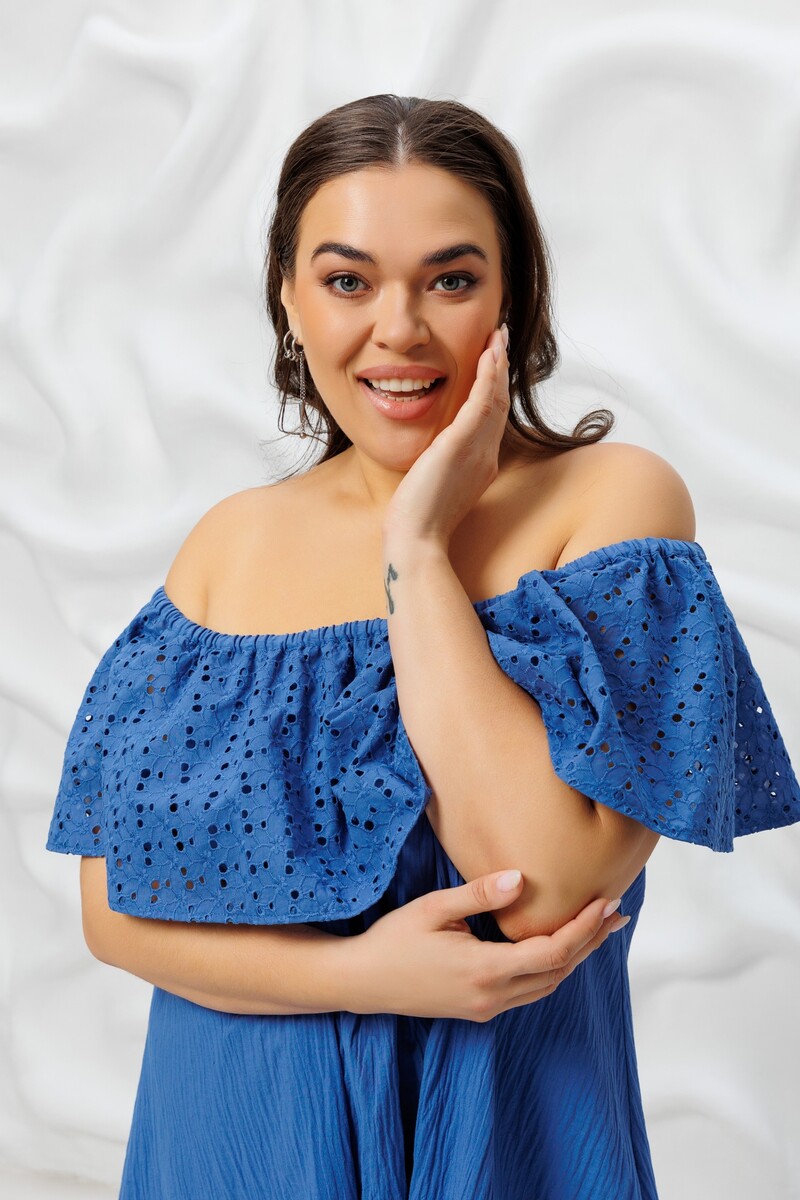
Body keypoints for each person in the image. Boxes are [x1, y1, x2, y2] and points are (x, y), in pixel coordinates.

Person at [46, 94, 800, 1199]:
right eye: (347, 281)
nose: (397, 330)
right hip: (227, 1136)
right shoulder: (225, 547)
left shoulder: (610, 507)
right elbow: (116, 914)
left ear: (512, 296)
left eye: (449, 280)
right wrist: (361, 975)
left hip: (507, 1141)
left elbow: (541, 888)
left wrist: (418, 546)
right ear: (288, 297)